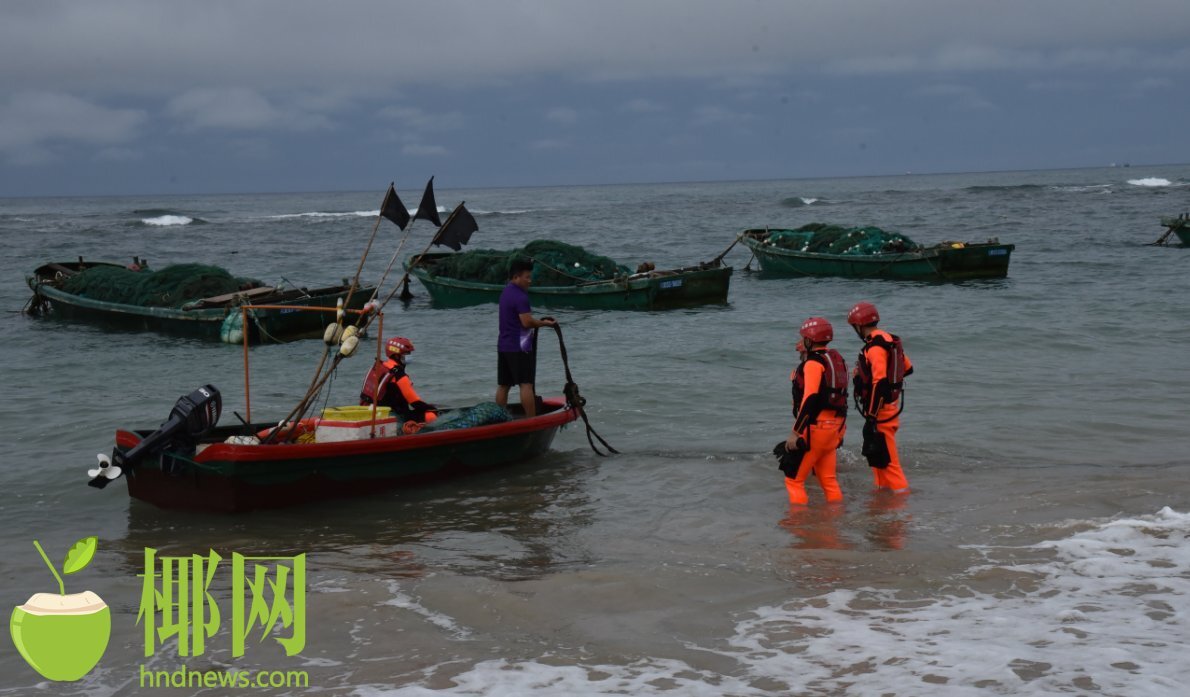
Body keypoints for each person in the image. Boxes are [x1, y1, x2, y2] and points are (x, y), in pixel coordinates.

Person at [781, 317, 849, 506]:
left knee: (794, 481)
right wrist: (841, 430)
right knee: (828, 480)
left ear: (810, 340)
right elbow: (842, 397)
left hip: (816, 430)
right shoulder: (836, 361)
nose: (801, 342)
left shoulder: (812, 364)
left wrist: (795, 433)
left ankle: (799, 525)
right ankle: (835, 520)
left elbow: (810, 399)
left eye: (803, 338)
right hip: (835, 427)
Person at [847, 301, 913, 492]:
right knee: (878, 462)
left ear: (859, 326)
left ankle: (902, 513)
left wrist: (872, 416)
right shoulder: (889, 339)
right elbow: (907, 368)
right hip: (888, 408)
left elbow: (880, 382)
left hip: (882, 413)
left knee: (890, 465)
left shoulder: (874, 347)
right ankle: (883, 504)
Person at [496, 259, 556, 417]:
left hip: (504, 345)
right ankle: (531, 420)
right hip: (520, 346)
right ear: (516, 277)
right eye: (527, 277)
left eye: (530, 277)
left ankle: (499, 417)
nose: (530, 281)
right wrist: (544, 324)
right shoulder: (520, 296)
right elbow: (527, 322)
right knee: (526, 384)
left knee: (504, 385)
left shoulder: (506, 292)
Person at [359, 336, 438, 430]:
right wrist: (432, 409)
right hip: (393, 416)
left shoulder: (379, 368)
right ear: (397, 355)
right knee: (431, 416)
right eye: (407, 353)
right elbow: (415, 403)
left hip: (371, 412)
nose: (410, 355)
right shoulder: (399, 376)